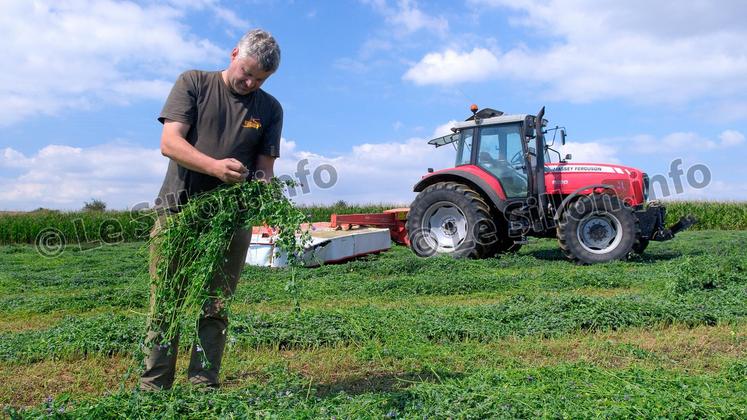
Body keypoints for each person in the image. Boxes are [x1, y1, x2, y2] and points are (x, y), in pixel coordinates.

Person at [139, 29, 283, 391]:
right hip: (179, 212)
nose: (250, 82)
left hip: (230, 220)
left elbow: (265, 169)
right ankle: (154, 388)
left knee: (215, 307)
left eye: (259, 79)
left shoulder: (269, 108)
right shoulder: (194, 83)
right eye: (247, 72)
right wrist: (215, 167)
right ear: (234, 53)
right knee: (166, 302)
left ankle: (203, 385)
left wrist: (262, 193)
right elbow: (170, 143)